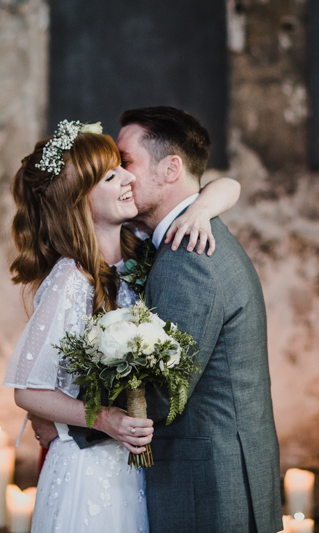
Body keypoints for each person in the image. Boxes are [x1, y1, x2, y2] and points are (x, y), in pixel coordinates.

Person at [3, 120, 241, 533]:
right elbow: (27, 389)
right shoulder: (70, 280)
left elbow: (229, 186)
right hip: (89, 467)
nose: (129, 178)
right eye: (112, 176)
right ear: (80, 201)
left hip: (133, 469)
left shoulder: (138, 246)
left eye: (122, 167)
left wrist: (201, 210)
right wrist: (105, 420)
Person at [118, 106, 281, 533]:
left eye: (126, 162)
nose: (118, 176)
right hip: (218, 482)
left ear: (171, 169)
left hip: (205, 493)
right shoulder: (186, 238)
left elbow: (163, 397)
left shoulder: (187, 257)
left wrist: (71, 413)